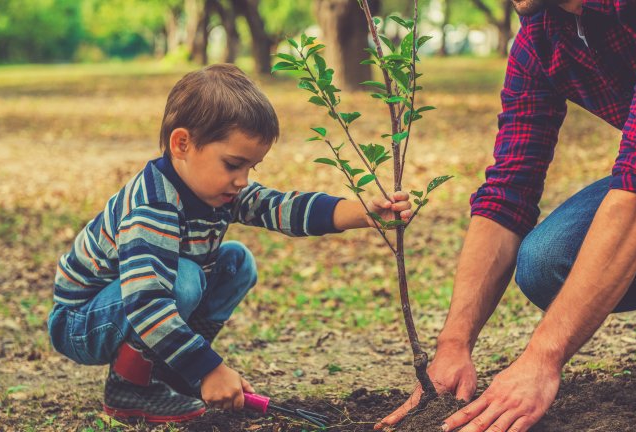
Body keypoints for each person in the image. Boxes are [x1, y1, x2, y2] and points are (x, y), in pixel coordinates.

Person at [377, 0, 636, 430]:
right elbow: (508, 190)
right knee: (549, 261)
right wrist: (454, 344)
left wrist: (542, 359)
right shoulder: (544, 33)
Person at [47, 64, 411, 423]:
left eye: (251, 168)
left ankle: (173, 372)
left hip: (130, 306)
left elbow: (280, 206)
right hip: (82, 321)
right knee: (184, 278)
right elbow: (145, 303)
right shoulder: (152, 207)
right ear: (182, 144)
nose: (242, 180)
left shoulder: (217, 190)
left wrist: (362, 212)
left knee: (237, 261)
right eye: (234, 164)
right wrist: (210, 370)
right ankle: (131, 387)